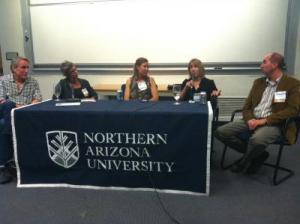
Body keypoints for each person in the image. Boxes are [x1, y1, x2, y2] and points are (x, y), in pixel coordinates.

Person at [215, 52, 300, 174]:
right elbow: (247, 106)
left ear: (275, 64)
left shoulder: (292, 84)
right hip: (253, 118)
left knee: (256, 140)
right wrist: (250, 119)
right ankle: (258, 155)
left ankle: (244, 161)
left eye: (264, 62)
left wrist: (264, 121)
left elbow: (293, 109)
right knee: (221, 132)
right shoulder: (258, 82)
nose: (261, 65)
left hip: (275, 123)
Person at [0, 56, 42, 184]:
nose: (26, 70)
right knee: (8, 105)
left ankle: (3, 164)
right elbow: (1, 100)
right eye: (23, 67)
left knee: (2, 125)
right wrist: (16, 106)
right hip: (6, 112)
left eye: (28, 67)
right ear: (14, 68)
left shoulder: (33, 81)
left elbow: (37, 100)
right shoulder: (3, 81)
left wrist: (21, 107)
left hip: (24, 114)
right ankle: (10, 134)